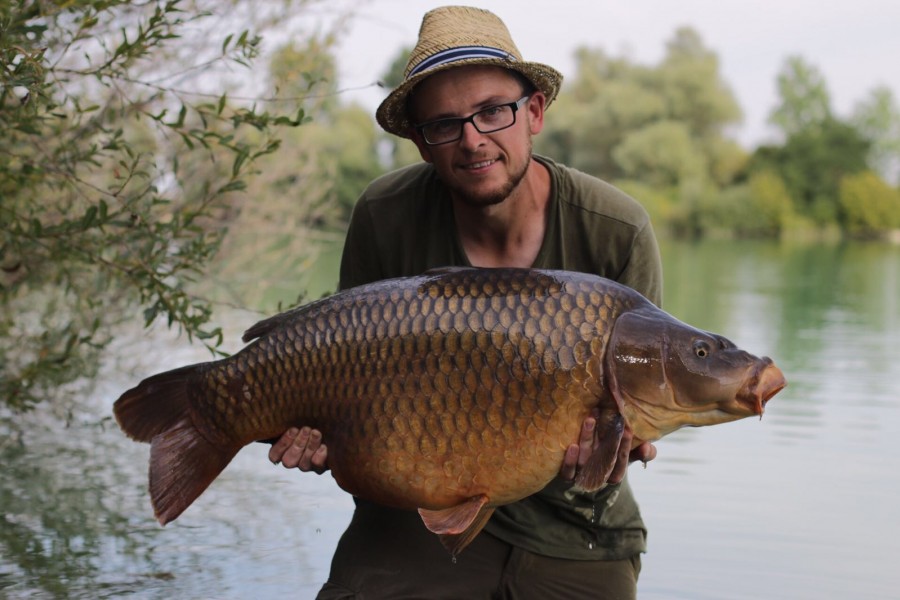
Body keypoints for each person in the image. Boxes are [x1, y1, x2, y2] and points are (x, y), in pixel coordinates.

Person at [269, 6, 662, 599]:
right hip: (409, 522)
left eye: (492, 112)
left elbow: (633, 405)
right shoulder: (385, 216)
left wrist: (620, 446)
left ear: (533, 112)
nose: (473, 139)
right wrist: (328, 440)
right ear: (422, 144)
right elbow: (342, 373)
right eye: (445, 124)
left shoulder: (616, 230)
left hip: (575, 529)